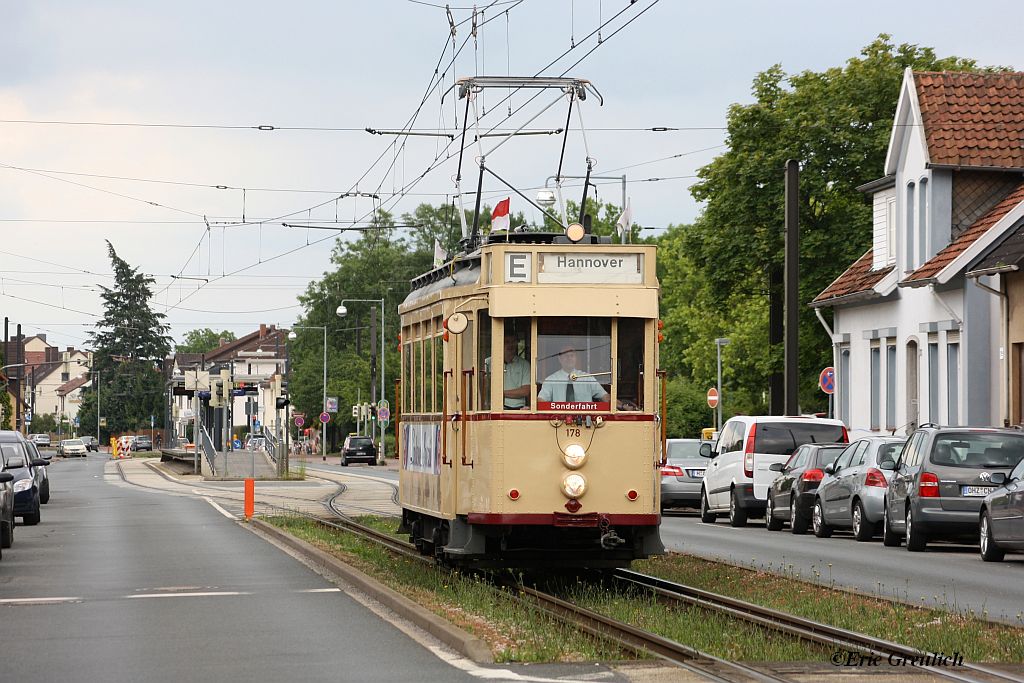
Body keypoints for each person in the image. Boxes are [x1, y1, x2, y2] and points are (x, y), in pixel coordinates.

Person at [538, 346, 610, 404]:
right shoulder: (551, 380)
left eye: (572, 355)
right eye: (566, 355)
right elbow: (541, 400)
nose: (569, 358)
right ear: (559, 358)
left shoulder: (587, 378)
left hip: (585, 417)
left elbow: (604, 396)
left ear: (576, 358)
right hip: (559, 417)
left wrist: (616, 403)